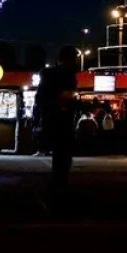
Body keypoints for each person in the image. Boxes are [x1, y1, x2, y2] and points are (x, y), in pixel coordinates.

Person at [38, 46, 79, 205]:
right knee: (62, 159)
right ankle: (58, 192)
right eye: (73, 58)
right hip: (59, 122)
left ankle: (58, 189)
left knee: (62, 159)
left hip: (59, 121)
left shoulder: (58, 75)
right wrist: (62, 103)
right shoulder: (61, 76)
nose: (75, 61)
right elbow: (46, 99)